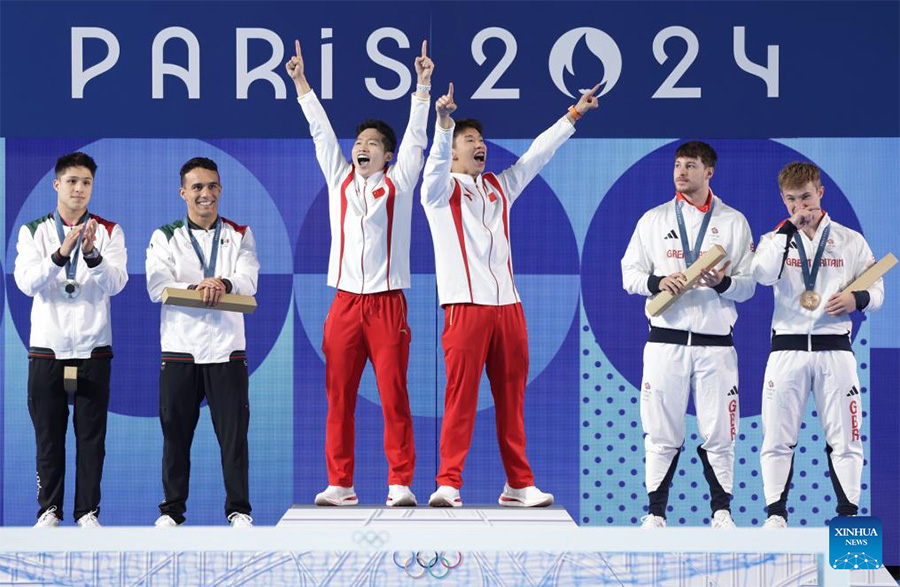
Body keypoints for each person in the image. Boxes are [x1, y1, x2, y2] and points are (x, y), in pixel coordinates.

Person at [420, 81, 598, 508]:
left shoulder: (499, 188)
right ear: (454, 153)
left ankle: (518, 483)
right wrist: (443, 125)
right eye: (470, 141)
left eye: (481, 140)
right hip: (465, 308)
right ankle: (448, 482)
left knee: (512, 401)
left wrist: (572, 116)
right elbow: (433, 166)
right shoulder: (439, 193)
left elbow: (537, 155)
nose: (480, 145)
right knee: (460, 399)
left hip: (509, 310)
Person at [286, 39, 432, 507]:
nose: (361, 148)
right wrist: (302, 84)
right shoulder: (338, 178)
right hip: (345, 303)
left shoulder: (401, 182)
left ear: (386, 156)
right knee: (339, 397)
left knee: (393, 395)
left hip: (389, 304)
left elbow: (415, 140)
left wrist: (422, 89)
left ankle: (399, 482)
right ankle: (341, 483)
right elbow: (320, 133)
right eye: (359, 143)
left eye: (372, 144)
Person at [621, 141, 755, 529]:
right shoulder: (653, 220)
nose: (681, 171)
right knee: (660, 431)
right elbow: (628, 274)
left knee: (720, 431)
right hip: (666, 341)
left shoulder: (733, 222)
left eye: (690, 165)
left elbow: (748, 287)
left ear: (709, 172)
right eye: (678, 165)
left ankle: (721, 512)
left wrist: (722, 282)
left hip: (716, 346)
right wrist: (659, 280)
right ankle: (655, 513)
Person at [753, 161, 884, 529]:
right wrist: (784, 233)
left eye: (807, 198)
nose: (801, 208)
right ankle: (776, 517)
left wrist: (856, 300)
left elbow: (878, 291)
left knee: (846, 438)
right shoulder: (773, 240)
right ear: (783, 200)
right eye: (792, 200)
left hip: (835, 349)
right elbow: (761, 276)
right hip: (787, 351)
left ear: (820, 192)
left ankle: (848, 519)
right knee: (777, 437)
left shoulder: (849, 240)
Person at [14, 152, 128, 528]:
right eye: (73, 181)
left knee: (91, 438)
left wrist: (92, 254)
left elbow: (116, 283)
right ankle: (49, 510)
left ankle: (88, 511)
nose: (79, 189)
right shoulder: (33, 231)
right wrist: (61, 253)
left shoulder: (109, 231)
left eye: (86, 183)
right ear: (57, 185)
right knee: (49, 437)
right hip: (47, 346)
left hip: (94, 346)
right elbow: (27, 283)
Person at [146, 157, 259, 527]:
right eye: (197, 187)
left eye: (211, 186)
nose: (205, 194)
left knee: (234, 439)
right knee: (175, 438)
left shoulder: (240, 233)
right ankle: (172, 511)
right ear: (183, 193)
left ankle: (239, 509)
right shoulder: (165, 236)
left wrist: (222, 283)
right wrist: (198, 287)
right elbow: (156, 285)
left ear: (220, 189)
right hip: (180, 349)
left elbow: (248, 279)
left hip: (227, 349)